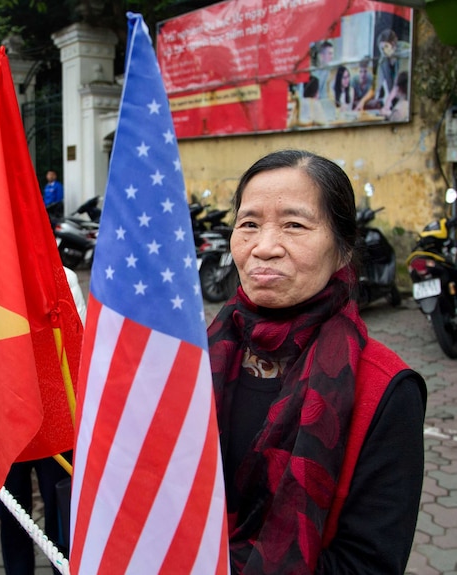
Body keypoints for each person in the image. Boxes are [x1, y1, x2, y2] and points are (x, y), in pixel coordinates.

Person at [207, 149, 426, 574]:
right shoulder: (193, 359)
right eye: (248, 224)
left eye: (294, 225)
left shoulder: (386, 389)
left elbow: (367, 563)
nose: (265, 248)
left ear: (343, 250)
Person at [0, 267, 85, 575]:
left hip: (56, 416)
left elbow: (79, 342)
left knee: (59, 504)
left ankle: (64, 568)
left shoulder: (63, 277)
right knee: (12, 510)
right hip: (6, 416)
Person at [374, 29, 401, 115]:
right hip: (394, 100)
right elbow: (378, 83)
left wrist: (388, 101)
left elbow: (399, 82)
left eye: (385, 47)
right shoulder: (383, 61)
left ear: (393, 45)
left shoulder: (404, 54)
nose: (383, 51)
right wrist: (375, 100)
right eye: (381, 49)